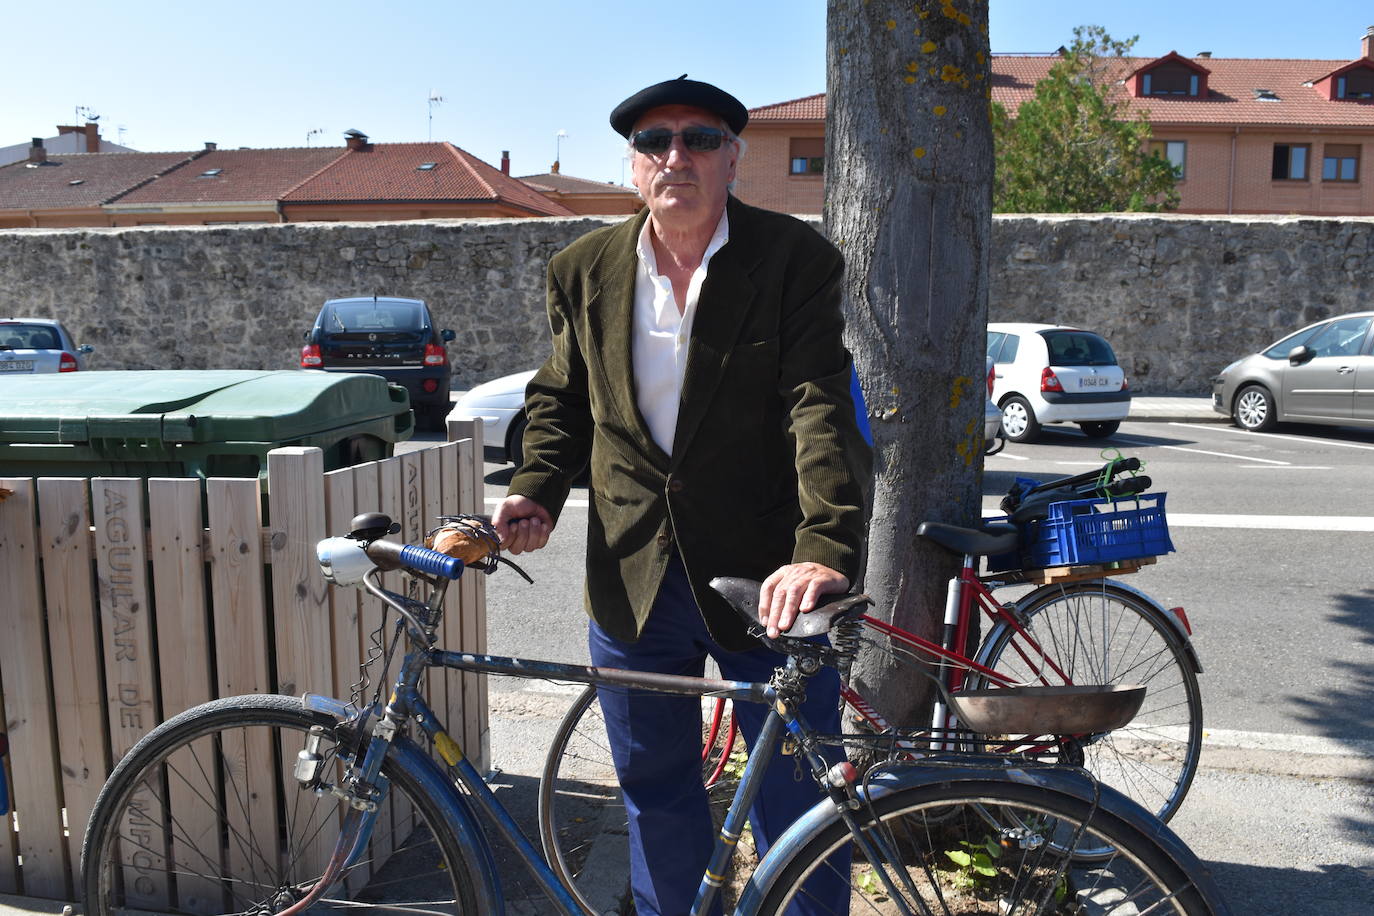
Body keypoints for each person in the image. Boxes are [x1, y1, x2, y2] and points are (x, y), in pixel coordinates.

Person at [493, 75, 871, 916]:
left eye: (700, 139)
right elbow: (561, 396)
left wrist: (824, 548)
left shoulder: (792, 260)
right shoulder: (580, 268)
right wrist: (536, 490)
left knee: (797, 795)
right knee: (655, 791)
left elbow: (821, 406)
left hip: (766, 577)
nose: (677, 156)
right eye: (655, 142)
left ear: (733, 158)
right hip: (632, 577)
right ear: (633, 167)